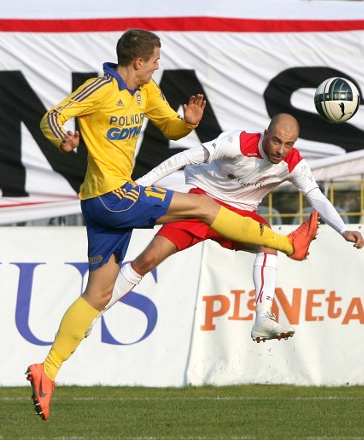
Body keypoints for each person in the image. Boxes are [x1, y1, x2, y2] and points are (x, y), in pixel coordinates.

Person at [26, 29, 318, 422]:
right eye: (155, 60)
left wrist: (188, 122)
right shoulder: (98, 88)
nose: (158, 65)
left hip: (105, 204)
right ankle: (287, 245)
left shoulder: (145, 93)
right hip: (113, 197)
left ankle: (47, 372)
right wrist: (64, 138)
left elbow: (171, 128)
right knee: (202, 206)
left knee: (97, 295)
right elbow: (52, 117)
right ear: (138, 62)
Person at [88, 113, 364, 346]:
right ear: (265, 133)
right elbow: (182, 158)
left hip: (241, 215)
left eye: (288, 144)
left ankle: (263, 319)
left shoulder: (292, 163)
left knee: (269, 244)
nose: (281, 150)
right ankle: (92, 313)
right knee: (147, 259)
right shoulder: (236, 143)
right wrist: (138, 188)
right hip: (200, 202)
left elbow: (314, 193)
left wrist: (343, 229)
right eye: (277, 141)